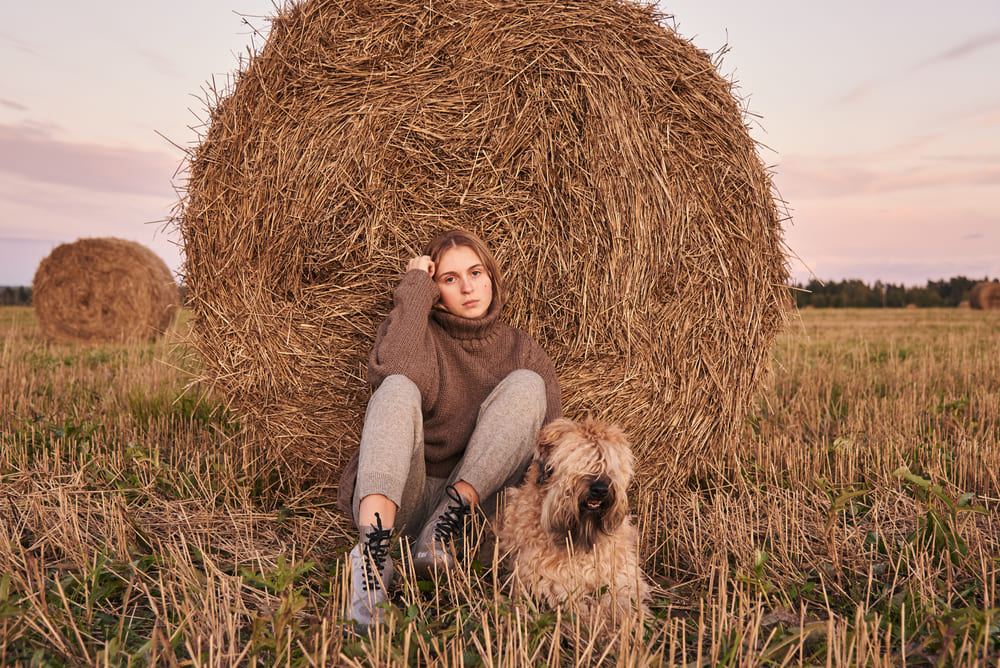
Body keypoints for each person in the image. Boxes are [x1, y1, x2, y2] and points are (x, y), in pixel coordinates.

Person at [337, 229, 562, 629]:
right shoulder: (421, 338)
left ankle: (443, 525)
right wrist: (414, 288)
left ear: (492, 276)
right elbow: (390, 368)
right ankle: (372, 558)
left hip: (473, 518)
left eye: (476, 273)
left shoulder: (522, 349)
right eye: (449, 278)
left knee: (529, 385)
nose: (468, 287)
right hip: (405, 502)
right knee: (397, 386)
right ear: (435, 289)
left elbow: (552, 443)